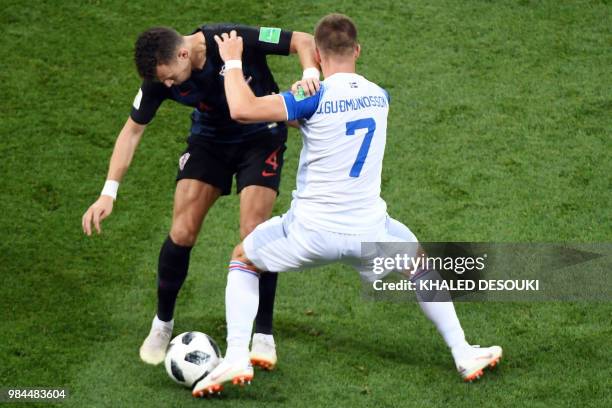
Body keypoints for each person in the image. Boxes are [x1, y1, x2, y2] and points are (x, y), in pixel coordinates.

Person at [191, 14, 502, 397]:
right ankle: (463, 352)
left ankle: (238, 354)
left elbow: (243, 109)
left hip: (311, 233)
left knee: (244, 258)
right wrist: (297, 103)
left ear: (317, 56)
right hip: (370, 232)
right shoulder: (380, 96)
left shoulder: (312, 96)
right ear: (357, 50)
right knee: (419, 263)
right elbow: (326, 123)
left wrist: (234, 61)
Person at [81, 23, 320, 369]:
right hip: (209, 142)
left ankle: (264, 333)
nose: (166, 86)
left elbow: (303, 40)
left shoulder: (231, 37)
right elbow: (131, 131)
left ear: (182, 53)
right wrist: (108, 193)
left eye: (168, 78)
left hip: (260, 137)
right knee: (182, 232)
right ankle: (162, 324)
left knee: (254, 233)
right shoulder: (159, 78)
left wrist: (310, 73)